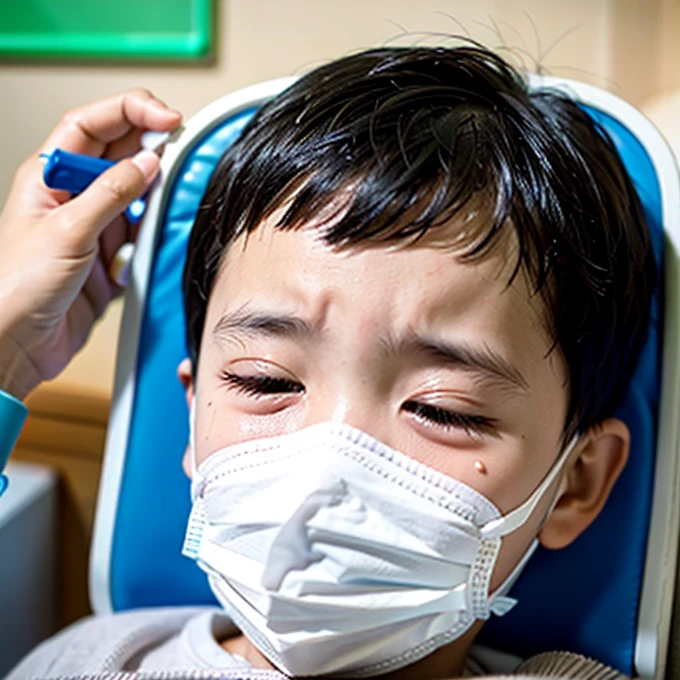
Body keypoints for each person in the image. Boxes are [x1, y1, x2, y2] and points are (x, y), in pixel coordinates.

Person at [3, 45, 654, 679]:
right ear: (192, 415)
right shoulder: (89, 660)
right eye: (266, 380)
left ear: (576, 483)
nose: (327, 468)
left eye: (440, 409)